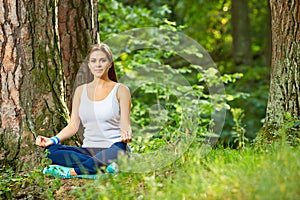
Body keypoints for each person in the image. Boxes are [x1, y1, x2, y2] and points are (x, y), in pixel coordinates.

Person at [35, 43, 132, 178]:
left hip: (114, 148)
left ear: (110, 64)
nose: (98, 65)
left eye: (102, 60)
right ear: (89, 65)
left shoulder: (121, 90)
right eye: (93, 61)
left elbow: (125, 123)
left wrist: (126, 133)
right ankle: (101, 168)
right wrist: (53, 139)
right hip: (88, 150)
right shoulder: (81, 91)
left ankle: (71, 172)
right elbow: (73, 125)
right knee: (50, 151)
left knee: (119, 152)